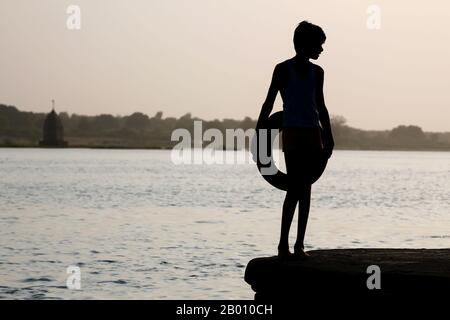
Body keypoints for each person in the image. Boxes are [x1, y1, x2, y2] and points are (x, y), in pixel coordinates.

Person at [256, 21, 334, 259]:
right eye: (318, 45)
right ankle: (282, 246)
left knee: (306, 189)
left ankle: (299, 245)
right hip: (292, 133)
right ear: (305, 44)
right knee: (294, 189)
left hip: (313, 134)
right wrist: (260, 131)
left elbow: (321, 106)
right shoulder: (282, 69)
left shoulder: (317, 73)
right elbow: (269, 101)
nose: (321, 50)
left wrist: (328, 135)